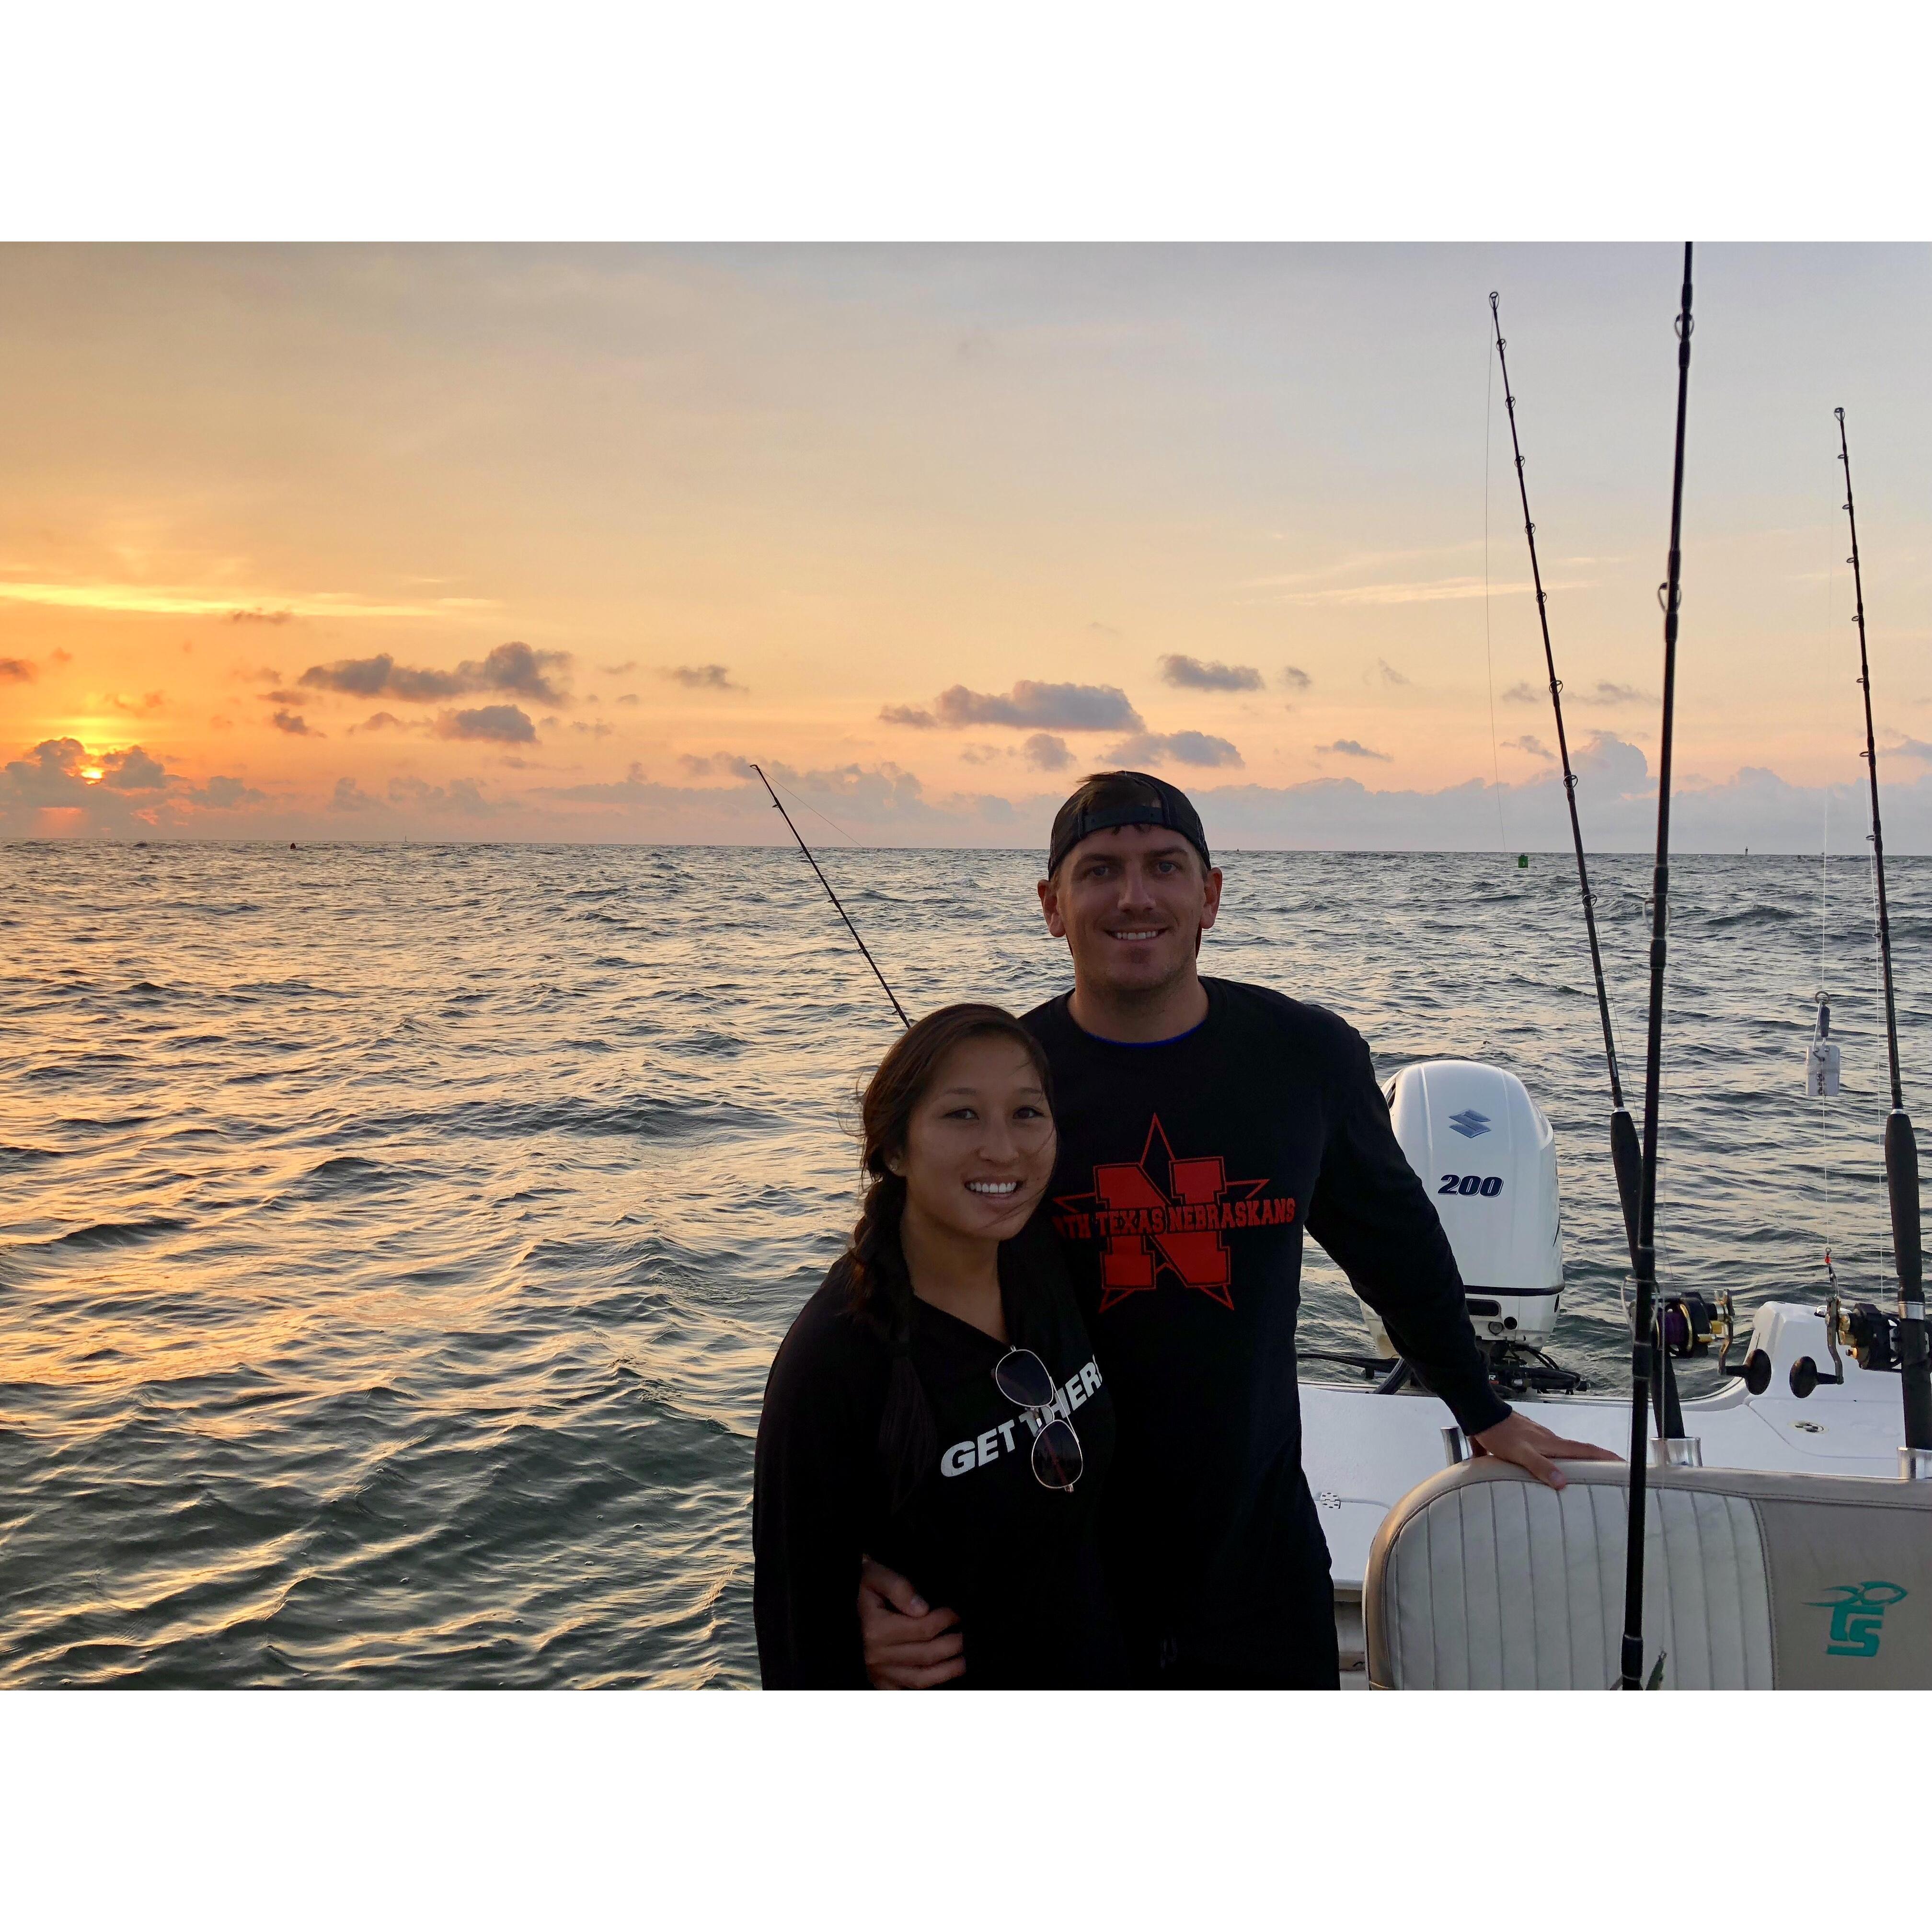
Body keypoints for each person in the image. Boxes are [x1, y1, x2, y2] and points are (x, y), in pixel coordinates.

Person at [858, 770, 1617, 1690]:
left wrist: (1481, 1407)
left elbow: (1399, 1248)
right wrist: (866, 1556)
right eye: (1099, 872)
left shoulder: (1306, 1056)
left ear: (1210, 896)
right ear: (1052, 906)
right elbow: (899, 1317)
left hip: (1256, 1551)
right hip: (1056, 1554)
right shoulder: (1006, 1088)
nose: (1135, 897)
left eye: (1164, 867)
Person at [753, 1003, 1126, 1688]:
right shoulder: (834, 1357)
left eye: (1027, 1113)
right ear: (895, 1150)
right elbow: (796, 1629)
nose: (1003, 1150)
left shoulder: (1047, 1261)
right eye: (962, 1115)